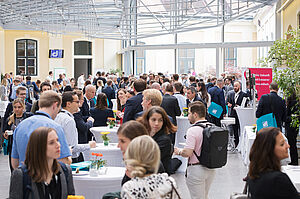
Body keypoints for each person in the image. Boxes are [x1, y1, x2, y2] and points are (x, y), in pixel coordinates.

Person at [11, 90, 72, 169]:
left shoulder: (20, 126)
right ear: (55, 105)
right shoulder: (55, 128)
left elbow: (15, 162)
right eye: (58, 109)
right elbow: (63, 162)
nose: (57, 113)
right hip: (46, 178)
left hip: (24, 177)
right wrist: (69, 156)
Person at [9, 127, 75, 198]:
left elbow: (71, 196)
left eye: (57, 140)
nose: (58, 145)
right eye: (51, 143)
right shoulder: (21, 175)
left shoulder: (65, 171)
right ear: (39, 147)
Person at [174, 101, 216, 199]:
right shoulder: (212, 127)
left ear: (195, 114)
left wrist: (178, 151)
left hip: (196, 169)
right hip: (210, 168)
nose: (188, 116)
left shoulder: (192, 130)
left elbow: (188, 152)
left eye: (189, 113)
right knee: (205, 196)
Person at [247, 127, 299, 199]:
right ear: (269, 149)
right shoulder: (278, 179)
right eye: (282, 144)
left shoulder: (253, 175)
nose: (288, 146)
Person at [55, 91, 96, 162]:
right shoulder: (69, 120)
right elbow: (73, 147)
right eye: (77, 102)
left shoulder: (58, 116)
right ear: (68, 104)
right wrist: (89, 145)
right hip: (70, 159)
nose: (79, 104)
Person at [137, 106, 177, 174]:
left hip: (158, 178)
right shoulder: (142, 135)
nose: (156, 123)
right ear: (147, 120)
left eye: (160, 120)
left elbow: (149, 159)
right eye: (153, 120)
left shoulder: (164, 140)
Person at [3, 99, 32, 172]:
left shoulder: (29, 117)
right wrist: (6, 134)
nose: (17, 109)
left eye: (19, 107)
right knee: (14, 169)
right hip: (13, 146)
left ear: (23, 108)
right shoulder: (9, 120)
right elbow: (4, 131)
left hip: (26, 145)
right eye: (15, 107)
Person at [226, 81, 248, 147]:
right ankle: (236, 144)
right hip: (232, 114)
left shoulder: (244, 94)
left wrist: (240, 107)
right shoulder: (230, 94)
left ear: (239, 86)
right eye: (234, 86)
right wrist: (228, 104)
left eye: (236, 86)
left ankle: (241, 144)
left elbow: (245, 104)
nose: (235, 88)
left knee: (240, 129)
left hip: (240, 115)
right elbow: (227, 102)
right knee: (234, 130)